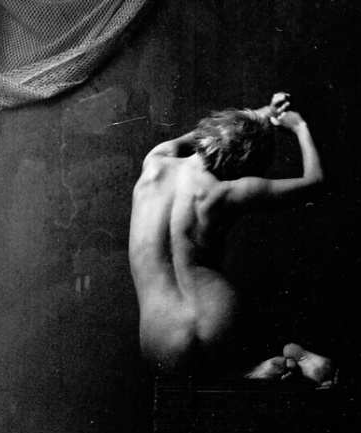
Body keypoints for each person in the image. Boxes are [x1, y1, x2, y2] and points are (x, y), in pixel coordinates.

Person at [129, 93, 336, 386]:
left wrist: (264, 112)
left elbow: (204, 134)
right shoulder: (226, 192)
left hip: (161, 340)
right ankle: (265, 364)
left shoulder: (156, 160)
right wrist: (299, 127)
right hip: (221, 320)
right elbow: (316, 182)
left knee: (195, 379)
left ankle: (246, 373)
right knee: (250, 330)